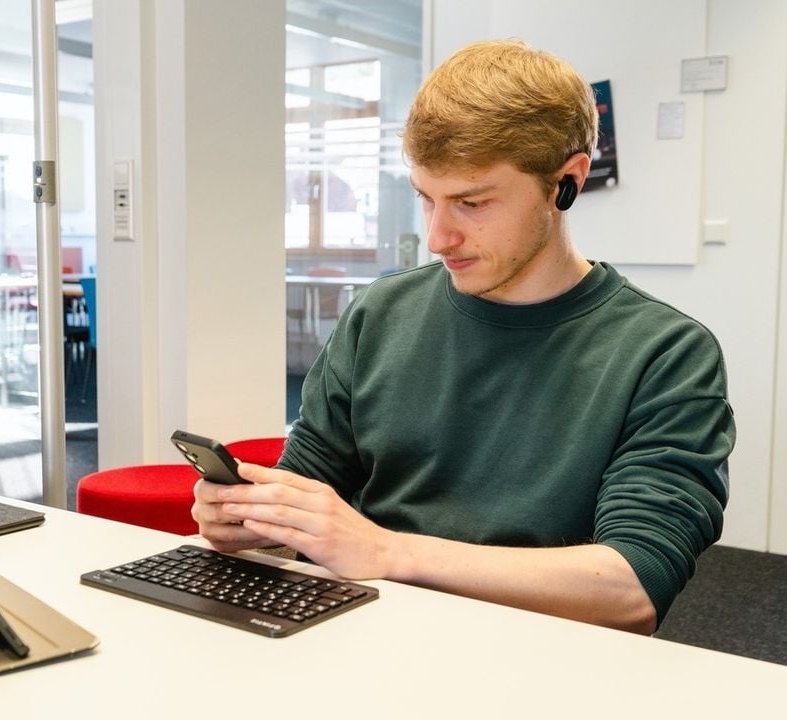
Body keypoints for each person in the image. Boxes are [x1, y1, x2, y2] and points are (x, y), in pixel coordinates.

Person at [192, 39, 734, 635]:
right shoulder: (382, 312)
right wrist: (254, 520)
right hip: (362, 636)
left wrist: (390, 552)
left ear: (567, 183)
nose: (437, 236)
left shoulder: (666, 354)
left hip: (538, 658)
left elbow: (633, 584)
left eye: (471, 202)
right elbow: (310, 482)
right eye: (426, 199)